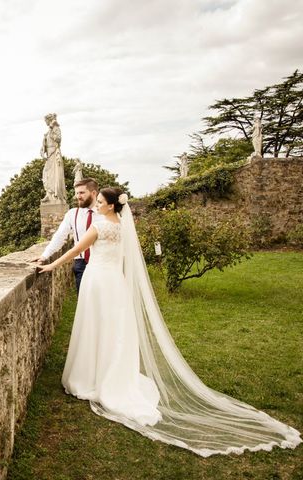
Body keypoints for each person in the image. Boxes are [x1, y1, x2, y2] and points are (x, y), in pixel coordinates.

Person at [38, 187, 301, 457]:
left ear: (110, 206)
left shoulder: (100, 226)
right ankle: (109, 373)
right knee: (112, 331)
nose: (96, 206)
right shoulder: (122, 226)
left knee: (95, 329)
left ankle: (92, 376)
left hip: (98, 283)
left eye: (100, 202)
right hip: (115, 284)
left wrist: (49, 265)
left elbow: (74, 251)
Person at [33, 178, 101, 292]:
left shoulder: (105, 213)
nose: (78, 196)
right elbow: (59, 236)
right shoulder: (72, 214)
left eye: (82, 193)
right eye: (77, 193)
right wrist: (45, 255)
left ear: (94, 193)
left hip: (102, 262)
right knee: (85, 303)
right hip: (81, 264)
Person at [40, 113, 66, 204]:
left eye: (46, 121)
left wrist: (52, 129)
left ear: (49, 120)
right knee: (46, 175)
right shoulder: (48, 131)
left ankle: (56, 195)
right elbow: (45, 143)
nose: (46, 122)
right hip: (49, 155)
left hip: (54, 153)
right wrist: (43, 149)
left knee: (54, 175)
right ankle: (49, 194)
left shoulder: (56, 128)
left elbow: (58, 139)